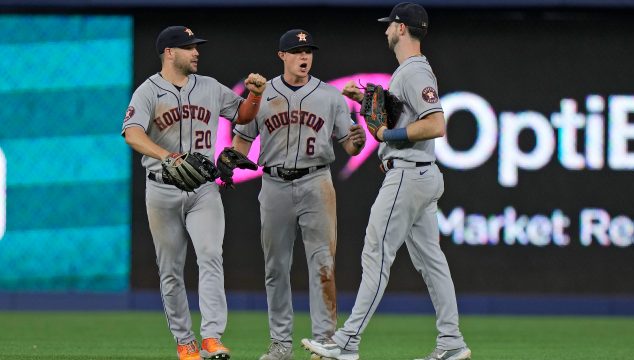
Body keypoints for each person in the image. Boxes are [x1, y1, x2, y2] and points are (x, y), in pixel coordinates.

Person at [301, 3, 471, 360]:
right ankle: (452, 343)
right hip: (420, 172)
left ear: (401, 28)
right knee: (432, 262)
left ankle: (346, 342)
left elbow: (436, 124)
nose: (385, 31)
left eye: (389, 25)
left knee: (376, 254)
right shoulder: (410, 72)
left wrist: (388, 134)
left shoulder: (413, 72)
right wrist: (365, 100)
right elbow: (404, 111)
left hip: (408, 174)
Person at [122, 25, 266, 360]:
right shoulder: (148, 91)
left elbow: (243, 114)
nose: (196, 52)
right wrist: (167, 155)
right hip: (162, 189)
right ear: (169, 53)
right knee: (170, 269)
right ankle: (185, 342)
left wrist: (255, 95)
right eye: (189, 47)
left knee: (211, 256)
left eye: (196, 46)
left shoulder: (210, 88)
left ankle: (212, 337)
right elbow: (132, 133)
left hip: (203, 189)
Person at [232, 29, 366, 360]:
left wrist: (357, 142)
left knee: (322, 263)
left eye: (308, 51)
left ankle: (326, 342)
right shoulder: (263, 94)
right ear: (282, 56)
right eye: (296, 51)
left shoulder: (330, 96)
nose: (304, 56)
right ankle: (280, 344)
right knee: (275, 267)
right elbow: (241, 142)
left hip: (316, 182)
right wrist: (231, 162)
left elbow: (348, 144)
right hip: (274, 183)